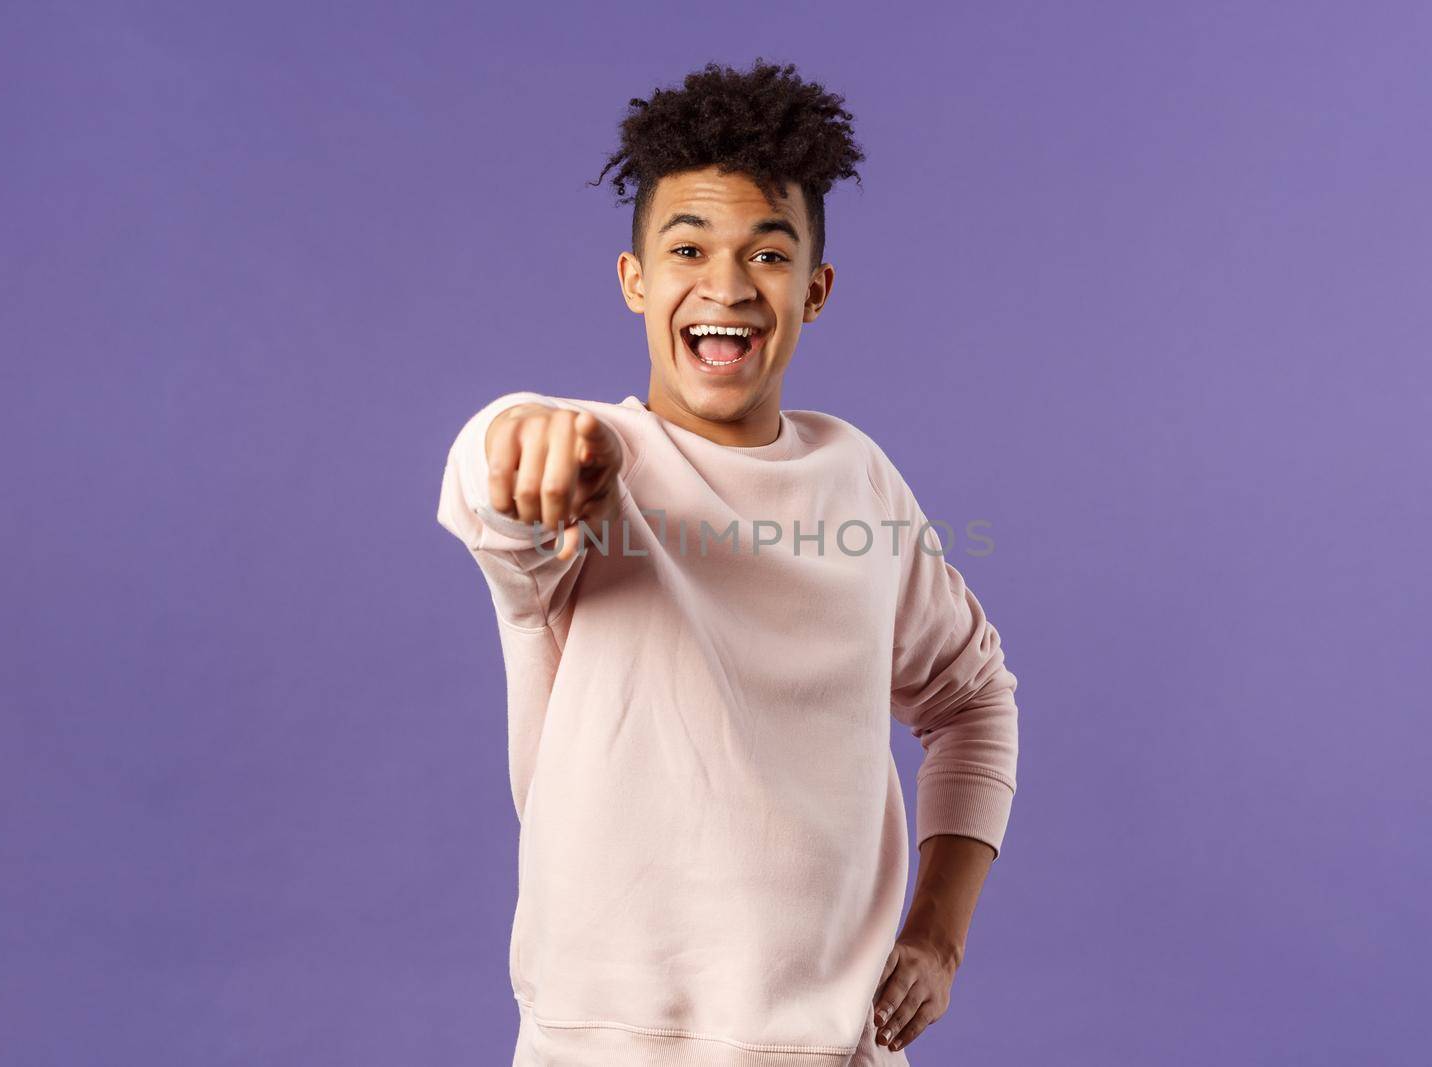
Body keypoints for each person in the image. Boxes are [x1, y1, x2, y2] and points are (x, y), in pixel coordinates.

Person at [436, 58, 1020, 1066]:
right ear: (635, 281)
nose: (725, 286)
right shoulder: (592, 464)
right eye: (687, 247)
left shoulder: (860, 481)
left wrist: (939, 935)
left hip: (834, 1048)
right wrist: (512, 436)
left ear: (815, 289)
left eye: (767, 254)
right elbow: (497, 490)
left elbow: (972, 699)